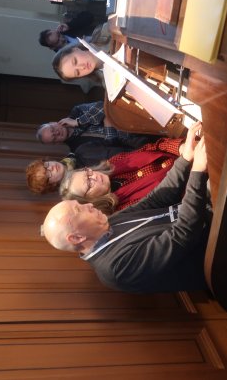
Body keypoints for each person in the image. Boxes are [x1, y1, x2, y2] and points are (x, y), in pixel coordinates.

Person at [42, 128, 211, 294]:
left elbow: (155, 199)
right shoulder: (115, 269)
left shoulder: (107, 224)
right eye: (80, 209)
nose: (90, 206)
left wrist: (185, 158)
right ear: (77, 238)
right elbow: (183, 234)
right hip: (214, 246)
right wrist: (197, 171)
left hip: (205, 217)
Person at [59, 125, 201, 213]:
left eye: (87, 173)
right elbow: (175, 199)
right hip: (199, 182)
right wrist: (188, 160)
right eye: (89, 184)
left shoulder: (113, 163)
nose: (94, 177)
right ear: (90, 201)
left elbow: (153, 147)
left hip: (190, 153)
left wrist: (180, 148)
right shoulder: (124, 209)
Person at [36, 101, 159, 165]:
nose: (56, 133)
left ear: (53, 122)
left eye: (52, 129)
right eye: (54, 138)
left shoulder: (77, 111)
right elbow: (111, 148)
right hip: (136, 143)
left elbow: (104, 106)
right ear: (56, 143)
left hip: (134, 119)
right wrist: (107, 121)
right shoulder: (78, 150)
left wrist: (78, 121)